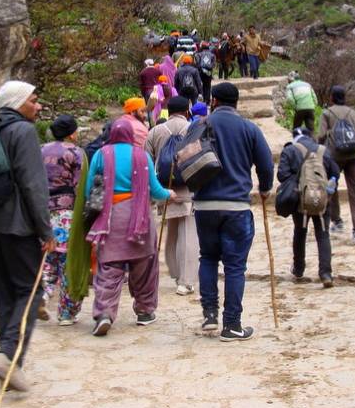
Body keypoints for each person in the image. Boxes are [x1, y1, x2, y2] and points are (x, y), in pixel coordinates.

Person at [0, 80, 54, 392]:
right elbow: (32, 185)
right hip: (20, 225)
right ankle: (8, 355)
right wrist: (45, 229)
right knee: (31, 290)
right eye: (33, 100)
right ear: (17, 103)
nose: (38, 106)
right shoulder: (23, 132)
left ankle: (11, 364)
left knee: (6, 291)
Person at [190, 82, 274, 341]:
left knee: (207, 258)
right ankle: (232, 325)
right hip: (236, 206)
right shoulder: (249, 128)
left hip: (204, 204)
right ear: (237, 102)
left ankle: (210, 315)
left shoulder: (200, 126)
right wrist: (265, 188)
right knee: (235, 267)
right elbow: (266, 163)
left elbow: (181, 158)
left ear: (213, 100)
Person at [85, 120, 176, 336]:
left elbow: (90, 187)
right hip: (139, 217)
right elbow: (155, 189)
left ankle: (105, 313)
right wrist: (168, 195)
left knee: (109, 266)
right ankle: (144, 311)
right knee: (144, 265)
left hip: (111, 217)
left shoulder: (101, 154)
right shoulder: (141, 155)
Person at [145, 96, 198, 296]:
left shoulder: (155, 131)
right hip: (187, 188)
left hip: (163, 188)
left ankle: (176, 274)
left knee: (172, 233)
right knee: (188, 233)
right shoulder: (193, 129)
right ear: (187, 111)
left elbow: (147, 161)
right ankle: (185, 281)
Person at [39, 115, 87, 325]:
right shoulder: (75, 153)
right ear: (72, 133)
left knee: (47, 259)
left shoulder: (40, 151)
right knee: (69, 263)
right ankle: (66, 313)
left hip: (42, 212)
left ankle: (43, 294)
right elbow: (80, 186)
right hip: (67, 214)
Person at [277, 127, 340, 287]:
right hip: (322, 200)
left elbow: (282, 175)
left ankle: (299, 269)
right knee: (323, 234)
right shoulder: (323, 150)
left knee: (300, 232)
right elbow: (335, 173)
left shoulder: (290, 150)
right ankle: (325, 273)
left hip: (300, 200)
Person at [318, 85, 355, 245]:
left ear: (331, 97)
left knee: (331, 186)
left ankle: (337, 220)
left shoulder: (327, 114)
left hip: (334, 156)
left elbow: (320, 135)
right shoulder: (354, 113)